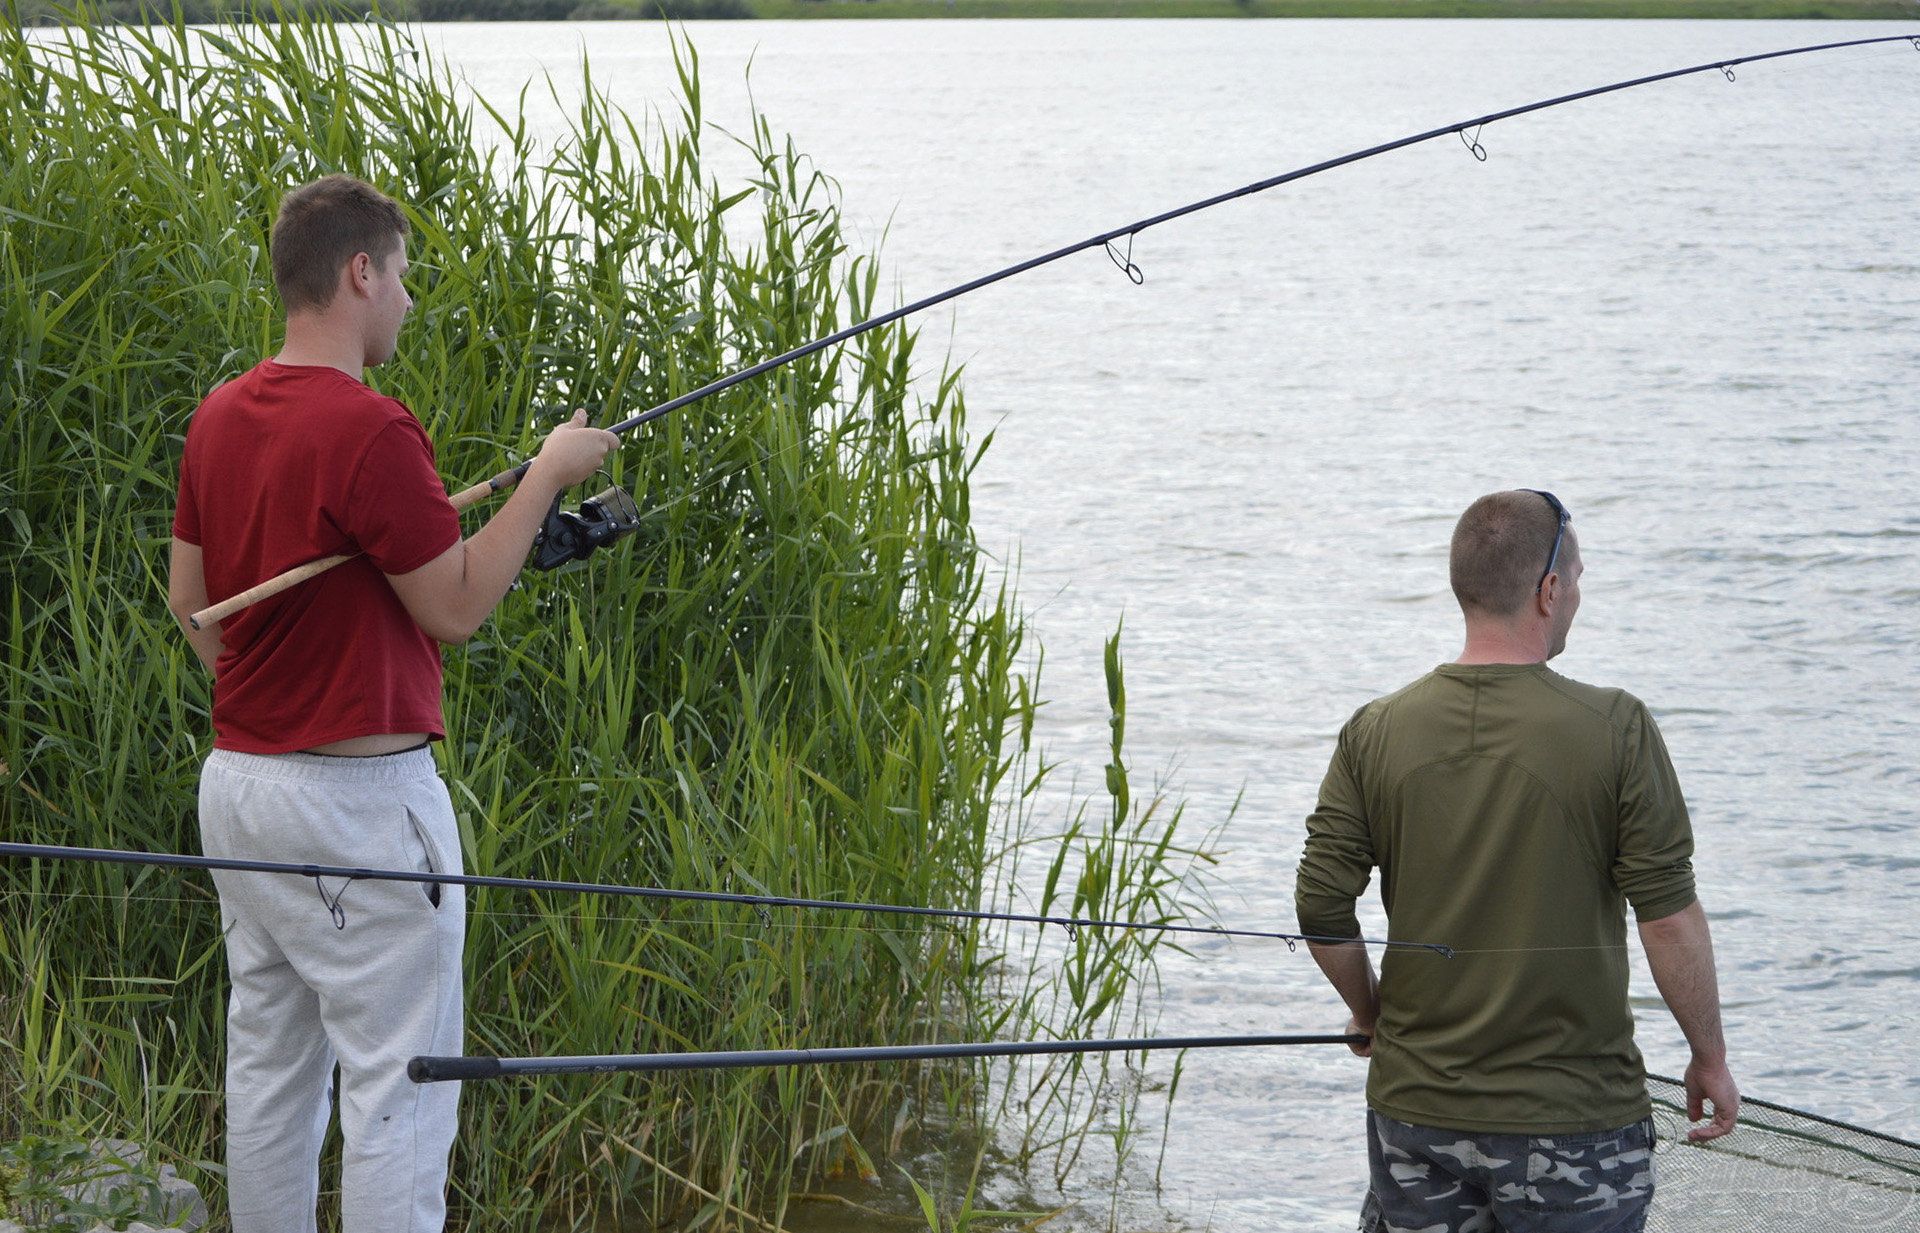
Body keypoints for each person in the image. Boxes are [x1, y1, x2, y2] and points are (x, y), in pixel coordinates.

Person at [166, 174, 618, 1233]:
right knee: (400, 1084)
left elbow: (197, 614)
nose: (409, 302)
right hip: (361, 806)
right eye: (404, 277)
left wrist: (281, 693)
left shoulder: (218, 418)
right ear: (360, 272)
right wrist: (546, 476)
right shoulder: (371, 430)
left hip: (240, 792)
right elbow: (456, 605)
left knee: (271, 1069)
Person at [1294, 489, 1739, 1233]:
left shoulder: (1374, 729)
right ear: (1549, 589)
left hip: (1416, 1116)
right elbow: (1666, 918)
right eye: (1580, 580)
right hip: (1577, 1123)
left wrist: (1373, 1012)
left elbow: (1320, 906)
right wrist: (1709, 1057)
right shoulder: (1617, 727)